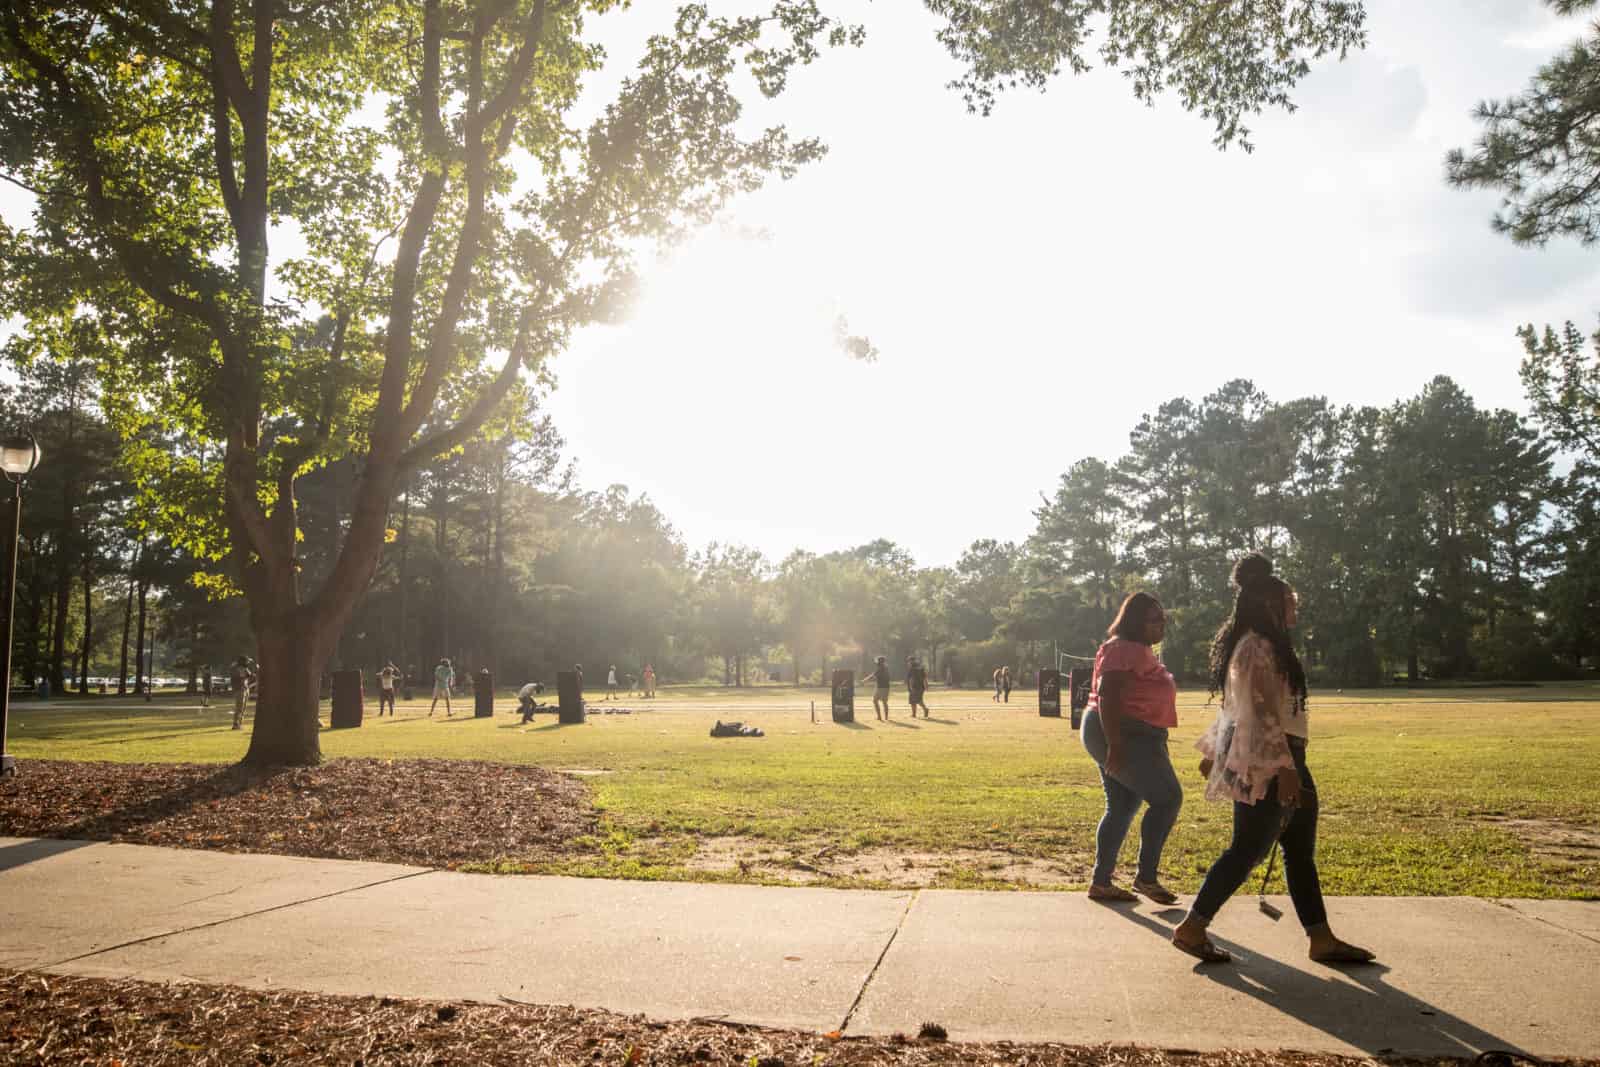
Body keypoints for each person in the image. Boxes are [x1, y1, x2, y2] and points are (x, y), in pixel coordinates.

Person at [1171, 554, 1375, 966]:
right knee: (1247, 849)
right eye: (1291, 603)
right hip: (1271, 761)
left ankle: (1321, 938)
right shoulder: (1256, 648)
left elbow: (1241, 707)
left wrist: (1217, 750)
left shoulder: (1261, 646)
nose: (1295, 611)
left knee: (1298, 850)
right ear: (1270, 604)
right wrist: (1284, 768)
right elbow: (1256, 711)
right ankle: (1192, 927)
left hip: (1284, 756)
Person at [1079, 592, 1182, 905]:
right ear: (1136, 621)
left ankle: (1102, 882)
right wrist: (1117, 745)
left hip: (1132, 733)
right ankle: (1146, 877)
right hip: (1125, 733)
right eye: (1154, 620)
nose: (1161, 624)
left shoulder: (1138, 650)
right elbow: (1108, 694)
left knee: (1122, 807)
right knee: (1167, 798)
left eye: (1163, 618)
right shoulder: (1124, 648)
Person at [230, 656, 255, 730]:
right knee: (239, 708)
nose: (248, 662)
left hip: (245, 689)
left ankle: (239, 724)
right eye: (247, 661)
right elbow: (243, 676)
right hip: (240, 690)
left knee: (243, 708)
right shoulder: (238, 669)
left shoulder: (244, 668)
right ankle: (236, 724)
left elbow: (251, 676)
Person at [867, 655, 891, 720]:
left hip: (881, 687)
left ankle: (880, 717)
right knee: (884, 702)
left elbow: (873, 676)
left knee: (876, 701)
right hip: (884, 687)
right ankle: (885, 717)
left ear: (879, 662)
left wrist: (864, 681)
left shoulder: (880, 668)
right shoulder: (884, 667)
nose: (876, 662)